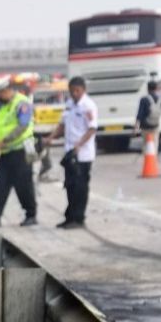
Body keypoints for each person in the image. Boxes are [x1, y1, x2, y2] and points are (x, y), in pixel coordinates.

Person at [0, 77, 38, 227]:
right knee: (0, 185)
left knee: (24, 186)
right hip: (6, 152)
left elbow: (23, 126)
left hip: (21, 151)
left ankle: (31, 215)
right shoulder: (2, 108)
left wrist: (4, 140)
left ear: (6, 90)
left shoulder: (22, 103)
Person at [45, 76, 98, 229]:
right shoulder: (69, 104)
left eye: (77, 90)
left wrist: (79, 144)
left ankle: (78, 218)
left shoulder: (88, 106)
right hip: (70, 153)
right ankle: (69, 217)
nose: (74, 93)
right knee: (69, 186)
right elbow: (62, 125)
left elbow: (92, 128)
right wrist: (51, 138)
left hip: (83, 155)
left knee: (80, 187)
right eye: (72, 91)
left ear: (83, 90)